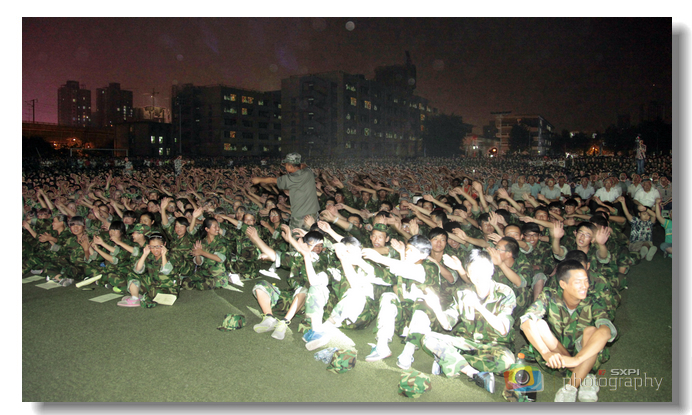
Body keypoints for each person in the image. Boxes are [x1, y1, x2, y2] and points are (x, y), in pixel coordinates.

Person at [419, 250, 516, 395]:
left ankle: (449, 359)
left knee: (506, 361)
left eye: (482, 270)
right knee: (428, 338)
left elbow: (503, 329)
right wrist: (437, 307)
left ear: (491, 270)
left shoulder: (505, 293)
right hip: (466, 342)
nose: (478, 275)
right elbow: (447, 325)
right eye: (473, 271)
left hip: (494, 347)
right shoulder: (462, 292)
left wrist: (478, 306)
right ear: (468, 274)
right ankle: (473, 373)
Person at [520, 260, 617, 402]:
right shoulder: (549, 295)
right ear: (563, 284)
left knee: (591, 331)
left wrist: (576, 360)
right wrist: (545, 353)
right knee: (539, 324)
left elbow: (606, 331)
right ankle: (586, 375)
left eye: (586, 281)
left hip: (584, 354)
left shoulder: (594, 299)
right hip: (555, 359)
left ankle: (571, 387)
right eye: (578, 282)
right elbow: (526, 321)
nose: (584, 286)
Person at [252, 153, 320, 231]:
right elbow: (305, 166)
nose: (285, 167)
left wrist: (259, 179)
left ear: (290, 166)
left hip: (300, 216)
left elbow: (272, 180)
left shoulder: (292, 178)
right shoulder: (308, 172)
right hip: (313, 213)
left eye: (286, 165)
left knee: (296, 236)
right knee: (312, 235)